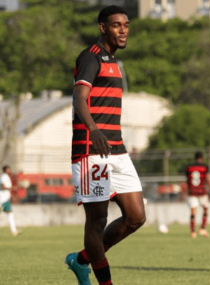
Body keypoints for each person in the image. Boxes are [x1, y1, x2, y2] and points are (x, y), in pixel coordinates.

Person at [65, 6, 146, 285]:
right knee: (97, 219)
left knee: (136, 217)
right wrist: (94, 129)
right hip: (91, 148)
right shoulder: (90, 56)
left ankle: (81, 260)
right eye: (116, 25)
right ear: (103, 28)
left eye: (125, 25)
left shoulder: (114, 61)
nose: (123, 30)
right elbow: (79, 98)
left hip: (117, 149)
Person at [185, 151, 210, 238]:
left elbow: (187, 181)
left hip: (192, 192)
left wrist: (187, 191)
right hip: (202, 192)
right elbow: (208, 180)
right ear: (202, 158)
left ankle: (193, 232)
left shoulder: (189, 168)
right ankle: (202, 228)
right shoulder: (205, 167)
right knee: (205, 209)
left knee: (193, 211)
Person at [0, 165, 20, 236]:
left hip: (5, 199)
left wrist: (11, 195)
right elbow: (2, 186)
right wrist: (12, 187)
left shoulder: (6, 177)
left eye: (10, 169)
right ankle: (13, 230)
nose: (10, 171)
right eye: (8, 170)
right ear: (5, 170)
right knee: (10, 214)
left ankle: (14, 230)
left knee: (10, 214)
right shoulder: (4, 177)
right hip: (2, 200)